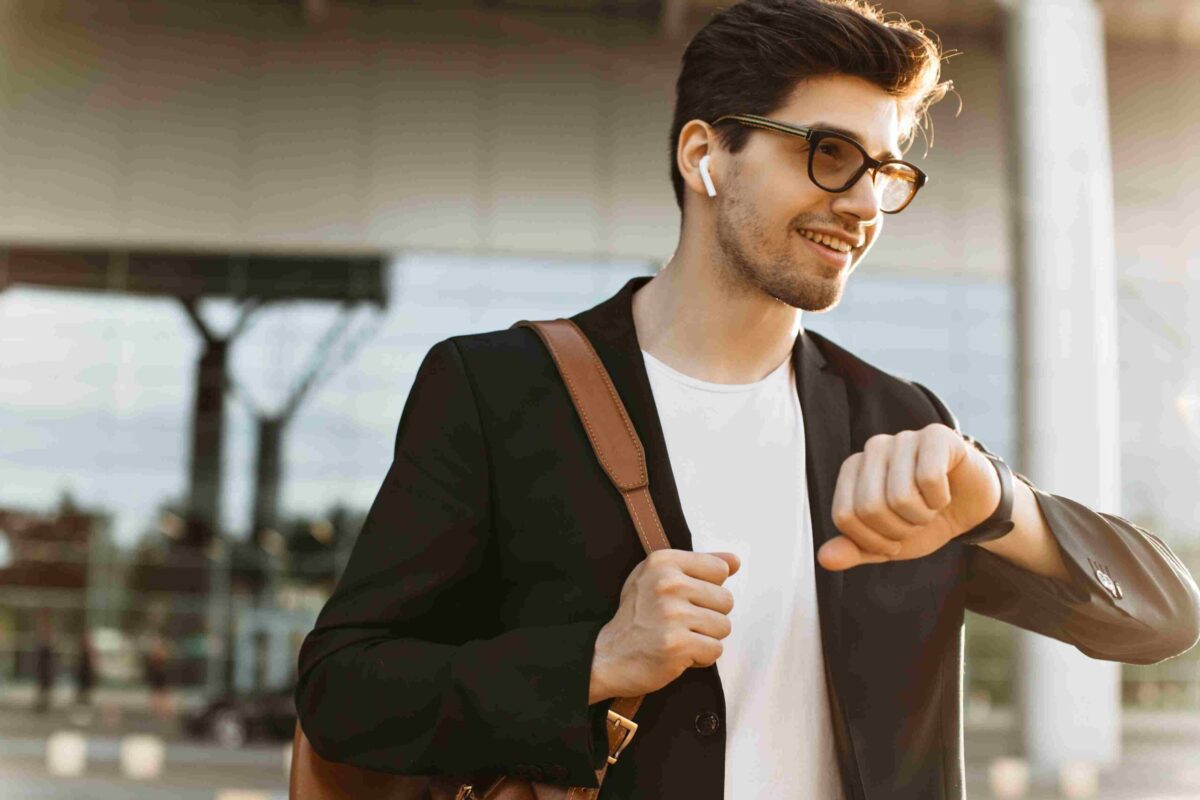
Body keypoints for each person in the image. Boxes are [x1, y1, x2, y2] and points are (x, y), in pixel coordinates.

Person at [295, 1, 1200, 797]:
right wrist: (592, 663)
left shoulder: (897, 427)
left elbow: (1163, 619)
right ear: (705, 156)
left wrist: (1004, 504)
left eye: (885, 172)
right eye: (830, 154)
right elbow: (343, 691)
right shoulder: (500, 389)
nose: (863, 206)